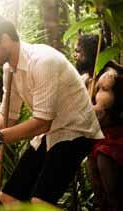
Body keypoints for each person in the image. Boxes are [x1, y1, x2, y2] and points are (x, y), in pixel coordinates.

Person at [0, 16, 104, 206]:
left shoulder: (42, 61)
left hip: (76, 131)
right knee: (9, 198)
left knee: (40, 203)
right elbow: (7, 116)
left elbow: (41, 122)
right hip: (50, 133)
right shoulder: (9, 69)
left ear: (5, 39)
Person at [74, 34, 123, 211]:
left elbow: (100, 110)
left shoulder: (107, 76)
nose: (75, 55)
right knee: (100, 195)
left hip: (114, 141)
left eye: (79, 51)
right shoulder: (90, 75)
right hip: (97, 138)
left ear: (90, 52)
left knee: (113, 195)